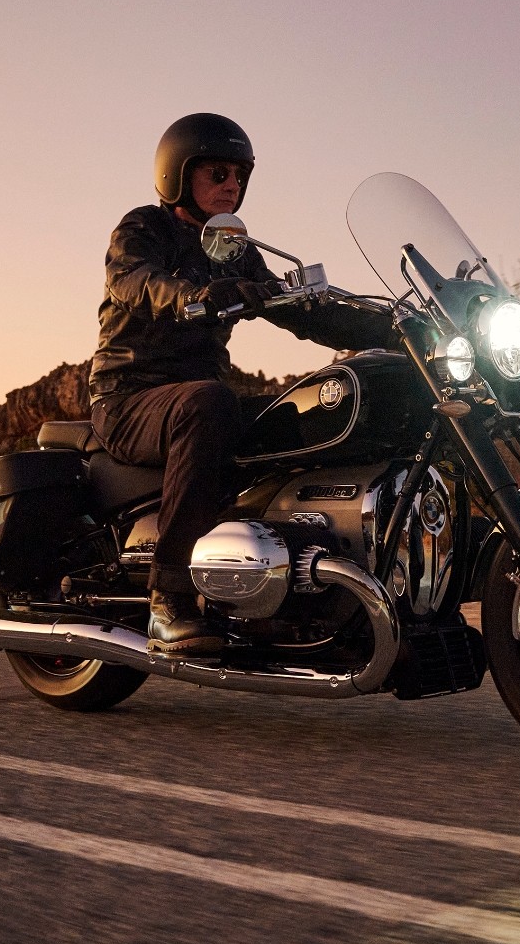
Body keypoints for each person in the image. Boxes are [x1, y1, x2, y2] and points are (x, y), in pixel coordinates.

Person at [91, 113, 395, 654]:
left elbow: (304, 312)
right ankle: (170, 596)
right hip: (129, 398)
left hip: (199, 398)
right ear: (177, 176)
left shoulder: (232, 247)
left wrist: (394, 326)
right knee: (210, 402)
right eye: (217, 173)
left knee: (316, 409)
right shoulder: (142, 229)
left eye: (238, 175)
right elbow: (135, 279)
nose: (231, 184)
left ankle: (297, 589)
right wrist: (191, 295)